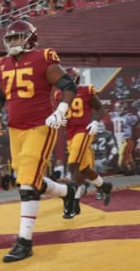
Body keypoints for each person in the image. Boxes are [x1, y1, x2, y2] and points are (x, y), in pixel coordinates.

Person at [0, 19, 77, 263]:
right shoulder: (1, 64)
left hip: (41, 125)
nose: (14, 42)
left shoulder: (43, 57)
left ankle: (24, 241)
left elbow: (67, 85)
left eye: (18, 37)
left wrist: (60, 111)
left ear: (31, 38)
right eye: (11, 38)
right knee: (27, 178)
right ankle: (67, 191)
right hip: (16, 129)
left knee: (26, 183)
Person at [55, 67, 113, 219]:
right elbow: (59, 112)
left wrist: (94, 122)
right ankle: (104, 186)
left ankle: (72, 202)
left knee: (73, 163)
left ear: (76, 79)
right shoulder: (59, 95)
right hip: (70, 133)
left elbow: (100, 108)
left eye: (70, 77)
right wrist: (60, 118)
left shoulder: (86, 91)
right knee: (85, 169)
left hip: (84, 131)